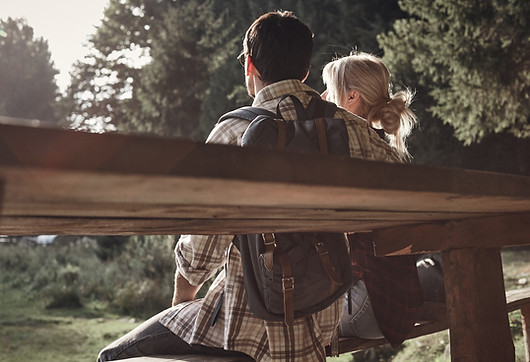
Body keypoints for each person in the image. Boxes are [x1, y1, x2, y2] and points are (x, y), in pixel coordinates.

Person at [98, 11, 408, 362]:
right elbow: (400, 182)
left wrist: (183, 302)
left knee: (112, 356)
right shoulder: (349, 127)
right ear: (305, 71)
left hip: (244, 329)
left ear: (249, 65)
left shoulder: (234, 132)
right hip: (321, 314)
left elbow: (199, 255)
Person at [321, 53, 423, 347]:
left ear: (351, 96)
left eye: (328, 87)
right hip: (400, 305)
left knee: (280, 317)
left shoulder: (341, 147)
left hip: (365, 307)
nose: (323, 96)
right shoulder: (385, 150)